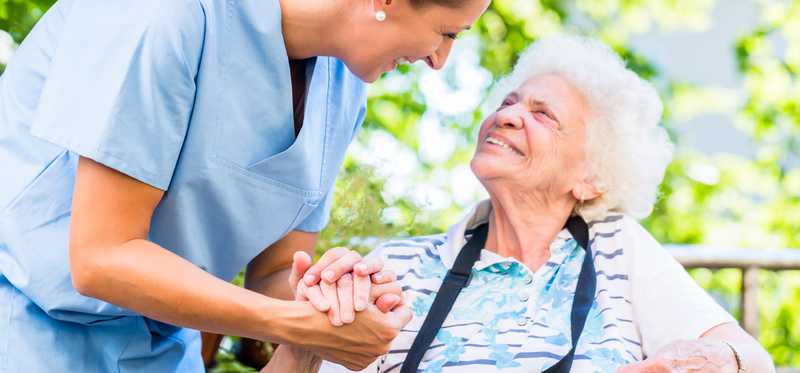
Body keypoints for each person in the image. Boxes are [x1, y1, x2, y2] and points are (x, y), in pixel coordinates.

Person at [0, 0, 490, 371]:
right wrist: (292, 324)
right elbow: (100, 258)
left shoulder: (342, 92)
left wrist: (334, 299)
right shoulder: (165, 13)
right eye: (447, 32)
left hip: (160, 354)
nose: (440, 60)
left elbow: (274, 271)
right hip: (23, 331)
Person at [295, 35, 773, 372]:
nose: (507, 116)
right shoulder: (398, 266)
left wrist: (709, 360)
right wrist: (307, 339)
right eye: (508, 102)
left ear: (591, 177)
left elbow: (751, 359)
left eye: (542, 114)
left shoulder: (617, 250)